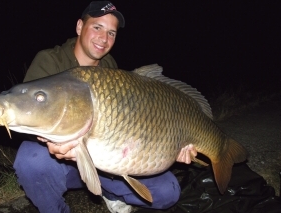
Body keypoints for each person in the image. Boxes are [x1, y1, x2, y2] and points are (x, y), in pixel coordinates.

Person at [14, 1, 196, 213]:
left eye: (111, 32)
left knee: (168, 191)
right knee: (31, 160)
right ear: (80, 27)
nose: (104, 38)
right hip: (61, 164)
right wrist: (49, 142)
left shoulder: (110, 68)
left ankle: (109, 192)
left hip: (101, 161)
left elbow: (131, 126)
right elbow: (29, 114)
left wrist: (174, 145)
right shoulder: (50, 61)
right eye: (97, 27)